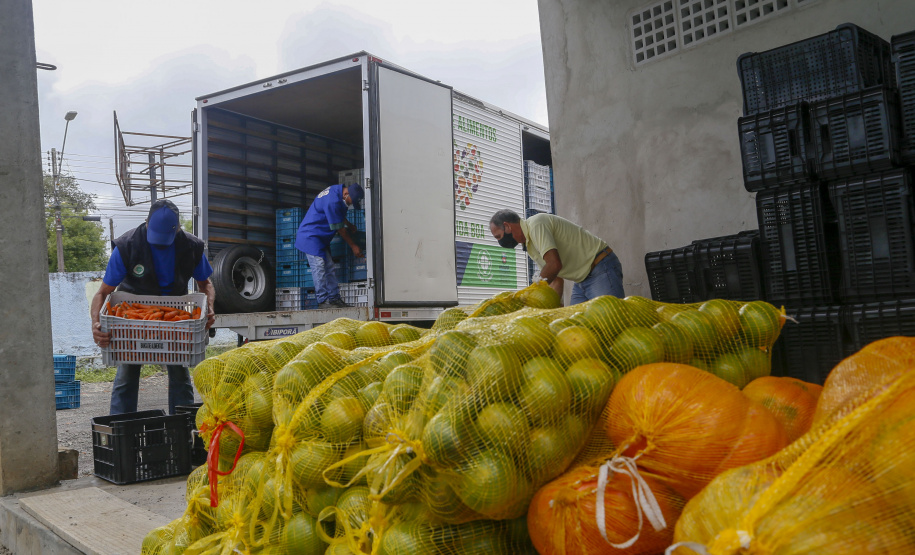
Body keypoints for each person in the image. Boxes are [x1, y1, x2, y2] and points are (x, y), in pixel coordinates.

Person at [90, 199, 216, 415]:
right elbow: (102, 292)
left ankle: (182, 427)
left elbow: (206, 285)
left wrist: (210, 308)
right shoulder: (127, 246)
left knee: (179, 374)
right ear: (146, 222)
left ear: (177, 229)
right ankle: (122, 428)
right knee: (126, 375)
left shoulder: (191, 247)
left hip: (174, 319)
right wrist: (96, 323)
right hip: (131, 319)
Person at [489, 209, 624, 304]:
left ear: (507, 226)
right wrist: (552, 307)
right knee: (576, 328)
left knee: (611, 323)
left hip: (600, 268)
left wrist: (529, 294)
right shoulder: (529, 245)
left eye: (498, 237)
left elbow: (554, 264)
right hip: (581, 280)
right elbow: (556, 280)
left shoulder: (536, 224)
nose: (500, 242)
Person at [295, 183, 366, 309]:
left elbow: (338, 214)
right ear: (346, 194)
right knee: (319, 266)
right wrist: (353, 245)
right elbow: (340, 229)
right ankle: (323, 301)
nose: (349, 205)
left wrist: (349, 225)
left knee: (330, 267)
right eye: (350, 202)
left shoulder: (337, 191)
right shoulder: (332, 201)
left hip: (320, 237)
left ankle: (334, 299)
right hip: (310, 236)